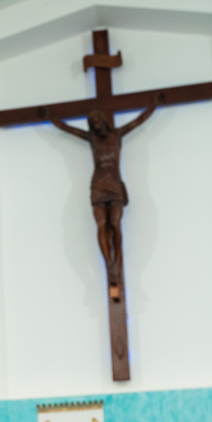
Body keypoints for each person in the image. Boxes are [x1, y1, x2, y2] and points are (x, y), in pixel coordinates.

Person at [50, 106, 155, 299]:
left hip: (114, 184)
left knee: (115, 224)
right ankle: (110, 266)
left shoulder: (117, 135)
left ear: (104, 121)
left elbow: (137, 122)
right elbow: (69, 129)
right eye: (92, 125)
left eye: (98, 123)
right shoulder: (92, 139)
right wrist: (50, 118)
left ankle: (117, 263)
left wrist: (154, 106)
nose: (96, 127)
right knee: (100, 223)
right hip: (98, 185)